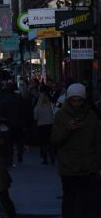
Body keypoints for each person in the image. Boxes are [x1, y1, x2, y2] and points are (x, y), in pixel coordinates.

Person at [51, 83, 101, 218]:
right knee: (70, 200)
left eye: (79, 100)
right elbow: (55, 140)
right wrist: (68, 129)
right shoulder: (61, 116)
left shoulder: (91, 116)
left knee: (88, 201)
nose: (76, 103)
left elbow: (97, 141)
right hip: (69, 166)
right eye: (73, 100)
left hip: (88, 165)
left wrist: (97, 163)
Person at [33, 87, 55, 164]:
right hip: (50, 125)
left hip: (41, 126)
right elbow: (54, 114)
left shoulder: (37, 107)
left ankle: (45, 159)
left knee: (43, 143)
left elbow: (35, 117)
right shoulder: (51, 105)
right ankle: (52, 158)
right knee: (50, 143)